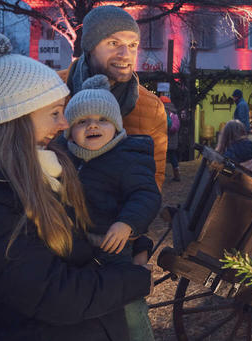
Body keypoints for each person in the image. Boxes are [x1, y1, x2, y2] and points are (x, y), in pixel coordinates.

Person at [0, 32, 151, 340]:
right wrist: (136, 278)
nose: (64, 124)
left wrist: (120, 239)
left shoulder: (18, 173)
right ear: (16, 119)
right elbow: (56, 296)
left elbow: (62, 244)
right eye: (53, 113)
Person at [64, 74, 161, 341]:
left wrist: (126, 223)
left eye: (102, 120)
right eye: (82, 121)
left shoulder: (127, 158)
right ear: (69, 129)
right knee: (85, 311)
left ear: (117, 126)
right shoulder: (64, 158)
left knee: (128, 308)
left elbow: (145, 194)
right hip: (76, 251)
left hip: (114, 248)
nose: (92, 126)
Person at [59, 5, 167, 189]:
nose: (125, 55)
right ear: (90, 47)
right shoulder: (53, 91)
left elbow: (152, 180)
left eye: (132, 45)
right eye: (114, 43)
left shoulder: (151, 107)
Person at [161, 96, 181, 181]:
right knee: (172, 156)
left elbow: (168, 126)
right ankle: (177, 175)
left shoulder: (165, 112)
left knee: (162, 156)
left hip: (166, 138)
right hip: (173, 139)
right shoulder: (174, 112)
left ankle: (161, 173)